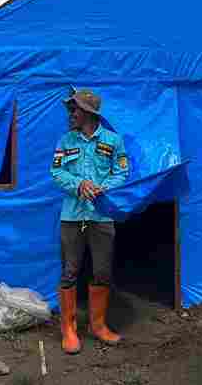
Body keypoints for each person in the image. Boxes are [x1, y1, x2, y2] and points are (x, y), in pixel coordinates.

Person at [50, 89, 129, 355]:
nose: (70, 114)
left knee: (102, 272)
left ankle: (98, 326)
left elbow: (122, 172)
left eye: (75, 109)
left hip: (101, 216)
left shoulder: (113, 141)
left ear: (88, 113)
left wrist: (102, 188)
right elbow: (56, 171)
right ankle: (68, 329)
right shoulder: (65, 140)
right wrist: (79, 184)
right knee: (69, 272)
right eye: (70, 109)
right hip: (72, 217)